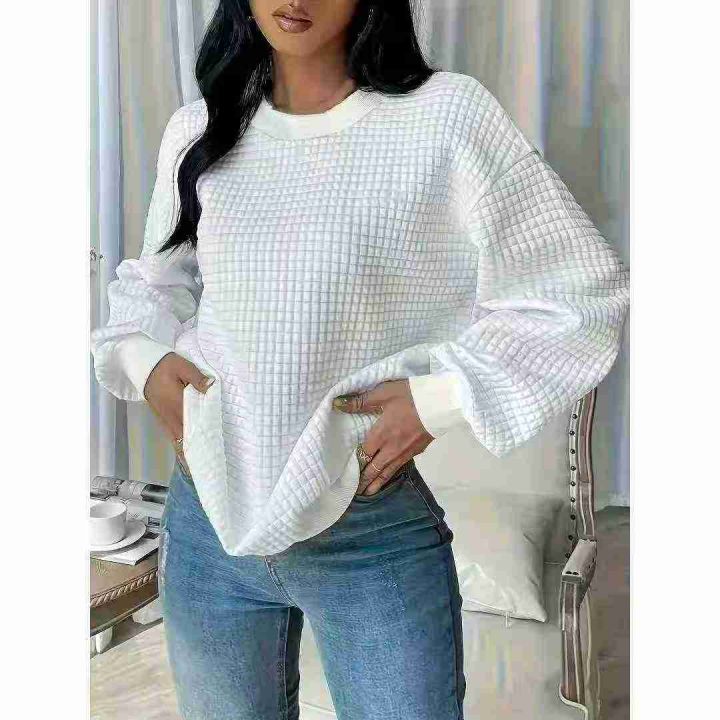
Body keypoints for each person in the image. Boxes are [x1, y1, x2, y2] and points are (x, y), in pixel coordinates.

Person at [90, 1, 630, 718]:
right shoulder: (200, 129)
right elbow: (155, 282)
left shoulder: (446, 117)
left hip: (367, 529)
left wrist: (437, 401)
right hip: (208, 519)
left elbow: (580, 294)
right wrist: (145, 362)